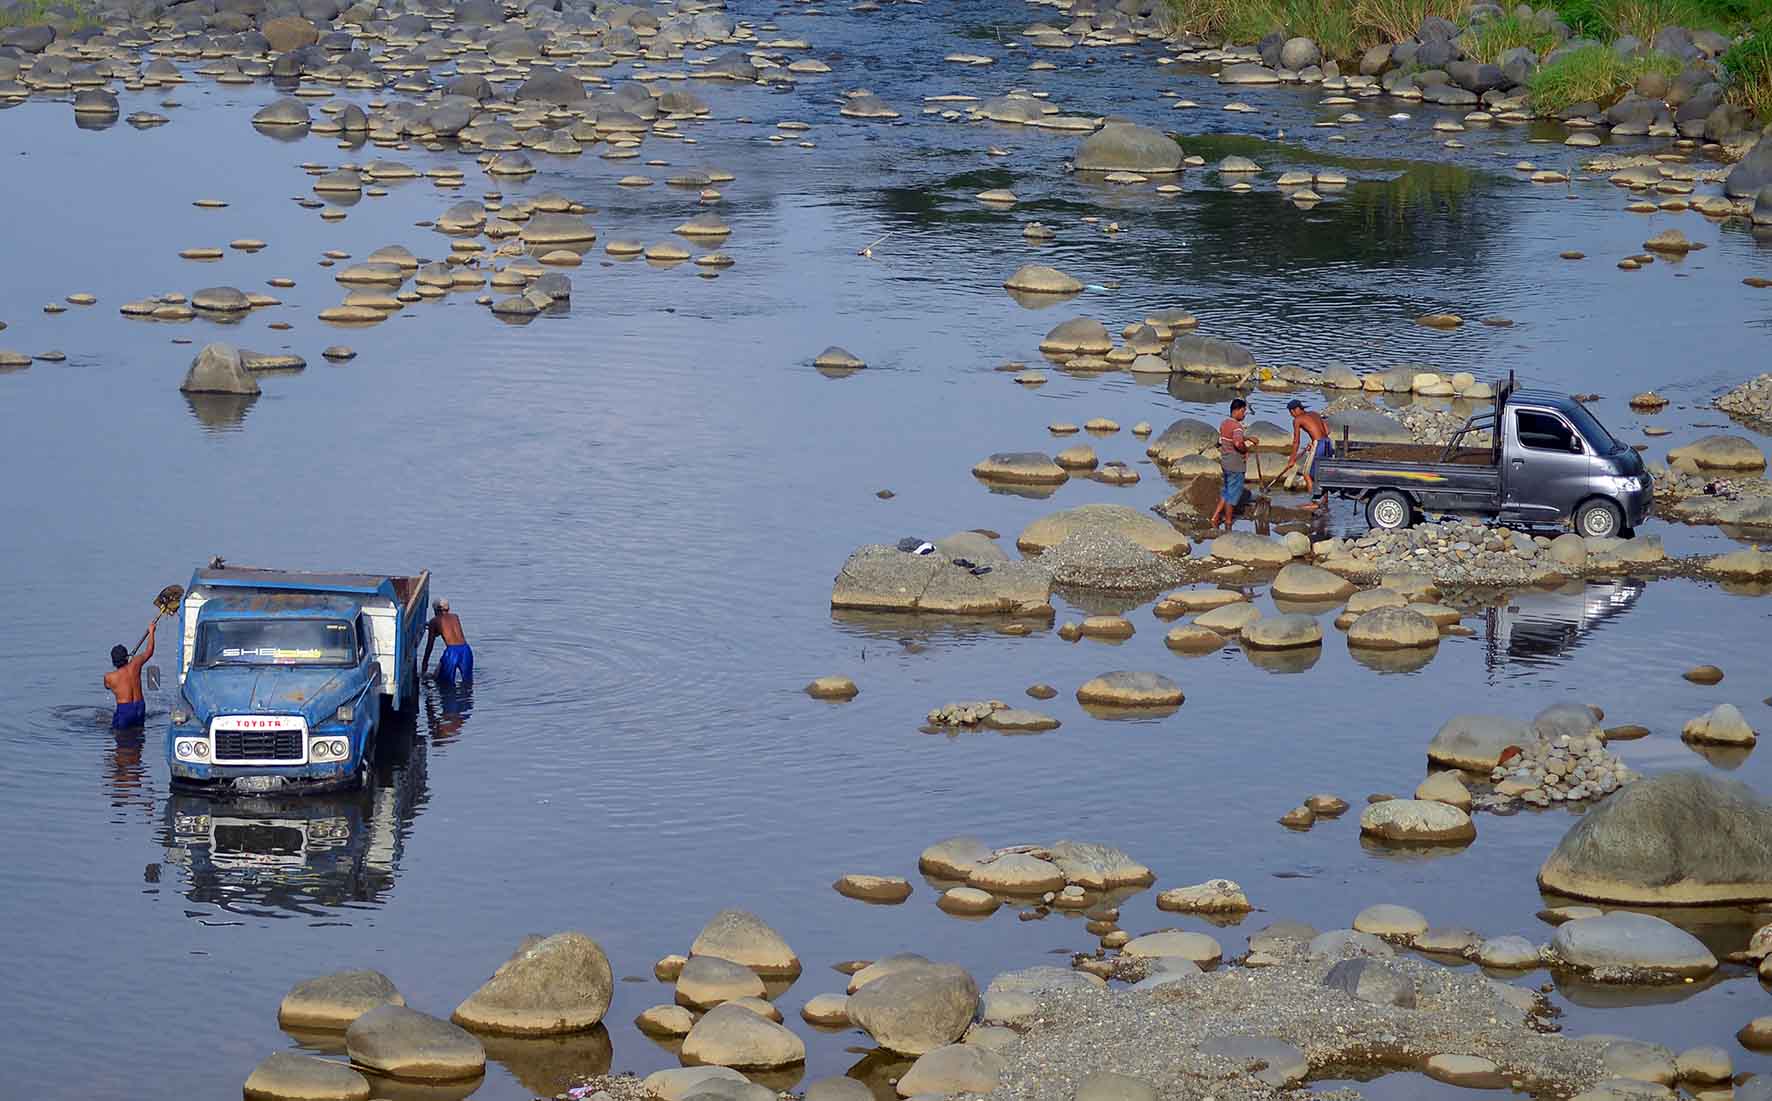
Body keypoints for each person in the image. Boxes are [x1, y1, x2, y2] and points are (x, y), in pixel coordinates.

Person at [1210, 399, 1258, 532]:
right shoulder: (1237, 427)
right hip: (1235, 464)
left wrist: (1247, 438)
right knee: (1233, 494)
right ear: (1236, 411)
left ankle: (1215, 517)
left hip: (1225, 462)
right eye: (1243, 411)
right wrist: (1245, 450)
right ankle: (1229, 521)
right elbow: (1237, 443)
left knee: (1226, 491)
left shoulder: (1225, 423)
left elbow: (1231, 438)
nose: (1244, 415)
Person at [1278, 399, 1334, 502]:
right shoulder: (1314, 413)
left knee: (1307, 474)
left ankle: (1314, 501)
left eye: (1291, 412)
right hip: (1328, 443)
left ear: (1294, 410)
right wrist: (1313, 442)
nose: (1291, 415)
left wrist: (1292, 459)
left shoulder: (1297, 420)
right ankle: (1325, 501)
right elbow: (1327, 431)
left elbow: (1296, 441)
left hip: (1320, 445)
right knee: (1322, 473)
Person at [103, 620, 156, 729]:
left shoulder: (109, 677)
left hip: (125, 710)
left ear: (113, 661)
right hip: (140, 707)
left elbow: (107, 686)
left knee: (122, 740)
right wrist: (151, 632)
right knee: (139, 738)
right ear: (127, 657)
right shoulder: (135, 664)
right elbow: (149, 651)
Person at [423, 599, 473, 686]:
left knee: (442, 683)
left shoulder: (434, 621)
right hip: (466, 650)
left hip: (452, 653)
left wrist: (424, 663)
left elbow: (430, 645)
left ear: (436, 610)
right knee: (467, 683)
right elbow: (447, 629)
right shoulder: (455, 617)